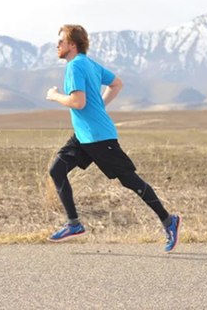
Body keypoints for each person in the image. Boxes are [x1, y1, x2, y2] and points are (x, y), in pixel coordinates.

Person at [45, 24, 181, 252]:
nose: (57, 45)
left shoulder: (75, 66)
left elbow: (78, 102)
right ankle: (74, 224)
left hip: (98, 137)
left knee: (130, 180)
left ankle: (169, 221)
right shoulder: (89, 64)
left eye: (60, 41)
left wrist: (55, 96)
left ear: (72, 44)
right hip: (84, 136)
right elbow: (117, 83)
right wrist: (100, 107)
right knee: (57, 169)